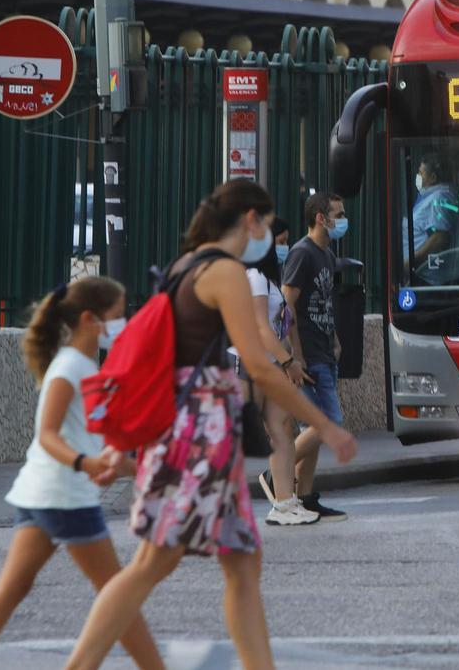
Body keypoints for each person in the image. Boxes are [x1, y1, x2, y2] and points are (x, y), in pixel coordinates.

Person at [64, 180, 358, 670]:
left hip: (197, 433)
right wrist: (324, 427)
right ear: (250, 220)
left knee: (241, 567)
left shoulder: (187, 265)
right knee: (153, 565)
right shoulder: (223, 272)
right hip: (197, 436)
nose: (269, 238)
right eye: (266, 225)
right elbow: (259, 363)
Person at [0, 278, 164, 670]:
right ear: (89, 319)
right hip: (66, 496)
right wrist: (85, 464)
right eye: (117, 316)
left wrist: (142, 471)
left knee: (12, 590)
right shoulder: (69, 368)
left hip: (42, 493)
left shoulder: (81, 365)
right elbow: (47, 435)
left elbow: (88, 441)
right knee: (118, 597)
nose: (123, 323)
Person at [231, 224, 320, 526]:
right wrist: (289, 361)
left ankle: (284, 504)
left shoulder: (266, 278)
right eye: (280, 242)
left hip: (266, 362)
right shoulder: (255, 277)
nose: (285, 247)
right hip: (251, 363)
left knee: (282, 430)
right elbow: (261, 327)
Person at [283, 192, 351, 521]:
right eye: (339, 214)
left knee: (314, 426)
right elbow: (287, 304)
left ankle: (304, 498)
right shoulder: (302, 253)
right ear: (321, 218)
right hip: (308, 354)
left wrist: (334, 337)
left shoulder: (326, 255)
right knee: (328, 422)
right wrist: (295, 354)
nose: (344, 219)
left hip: (324, 350)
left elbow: (323, 301)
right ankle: (275, 474)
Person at [404, 153, 459, 283]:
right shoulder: (428, 196)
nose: (418, 176)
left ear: (433, 177)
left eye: (421, 173)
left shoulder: (439, 197)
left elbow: (440, 238)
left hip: (426, 279)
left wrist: (411, 262)